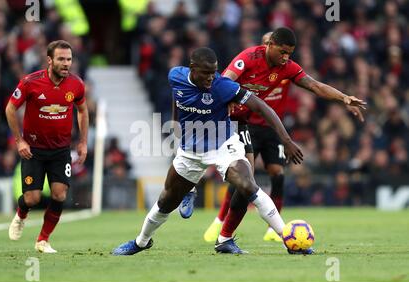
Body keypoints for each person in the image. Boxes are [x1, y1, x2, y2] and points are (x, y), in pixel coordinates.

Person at [112, 47, 304, 256]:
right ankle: (141, 242)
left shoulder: (223, 86)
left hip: (224, 146)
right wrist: (176, 124)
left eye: (214, 72)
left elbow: (262, 107)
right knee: (166, 201)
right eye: (206, 73)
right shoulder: (175, 76)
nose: (211, 78)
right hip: (190, 151)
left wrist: (286, 140)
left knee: (247, 184)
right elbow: (178, 98)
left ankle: (287, 240)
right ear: (192, 68)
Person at [201, 27, 366, 248]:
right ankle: (221, 228)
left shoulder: (287, 68)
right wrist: (229, 95)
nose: (286, 57)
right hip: (227, 120)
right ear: (269, 45)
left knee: (253, 179)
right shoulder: (249, 57)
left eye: (289, 53)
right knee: (243, 179)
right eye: (282, 51)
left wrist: (343, 97)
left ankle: (226, 237)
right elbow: (225, 79)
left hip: (247, 124)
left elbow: (315, 85)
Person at [6, 40, 89, 253]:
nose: (66, 64)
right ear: (50, 60)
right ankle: (21, 213)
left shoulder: (76, 84)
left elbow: (82, 111)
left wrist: (82, 142)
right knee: (32, 198)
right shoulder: (30, 82)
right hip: (33, 150)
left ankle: (43, 240)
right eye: (61, 59)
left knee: (59, 195)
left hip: (61, 150)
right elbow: (10, 109)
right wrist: (19, 140)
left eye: (69, 59)